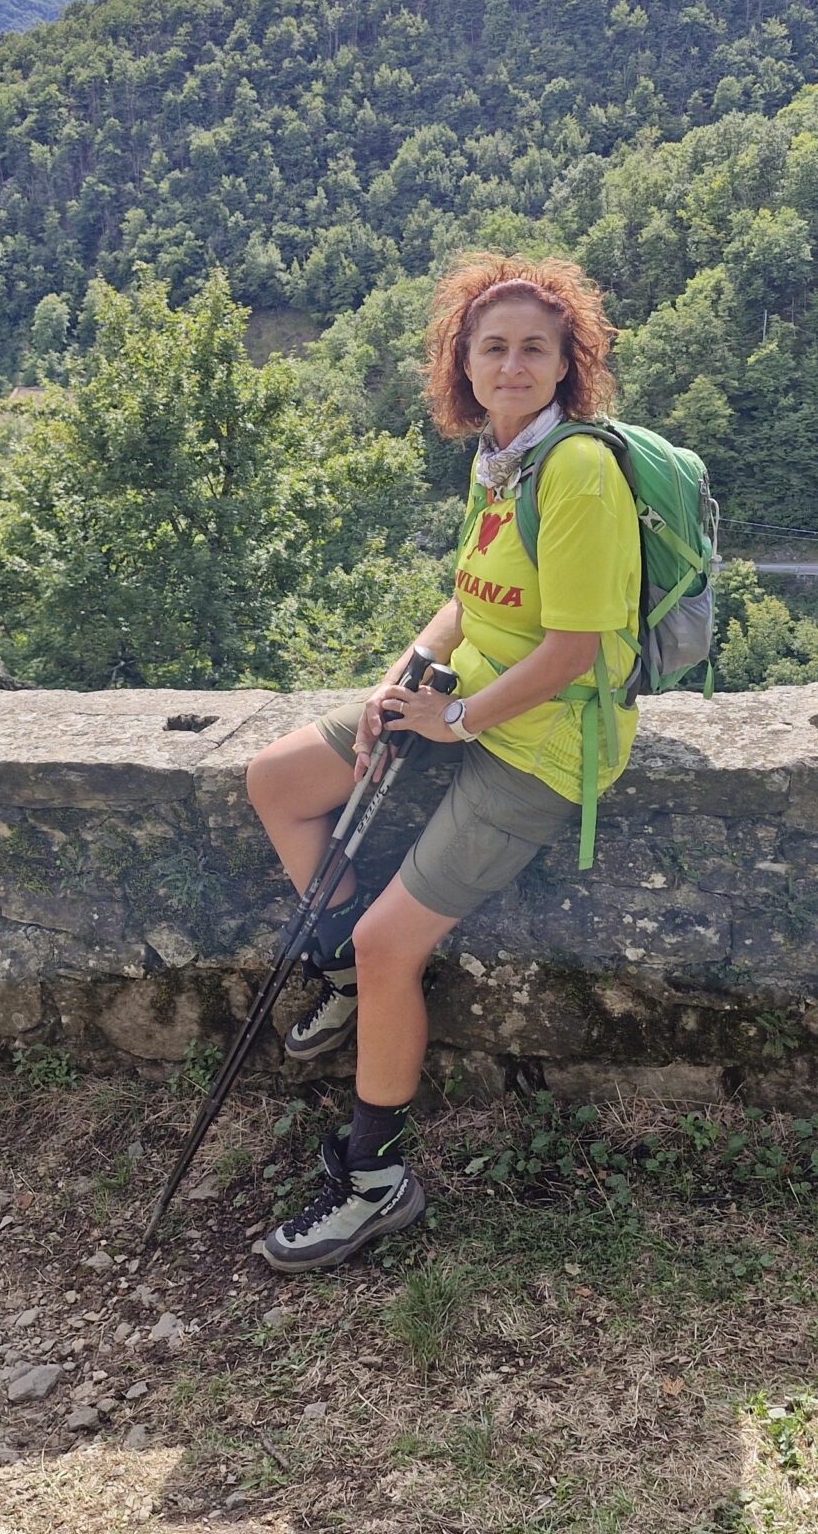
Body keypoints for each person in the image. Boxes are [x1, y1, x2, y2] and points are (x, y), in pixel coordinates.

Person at [242, 252, 642, 1271]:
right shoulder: (500, 460)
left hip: (543, 741)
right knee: (277, 783)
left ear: (566, 366)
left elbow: (576, 650)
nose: (511, 364)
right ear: (462, 364)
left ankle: (376, 1181)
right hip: (457, 700)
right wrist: (401, 680)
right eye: (492, 346)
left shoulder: (580, 470)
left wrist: (454, 719)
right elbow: (469, 598)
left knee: (391, 945)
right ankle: (331, 970)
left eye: (533, 349)